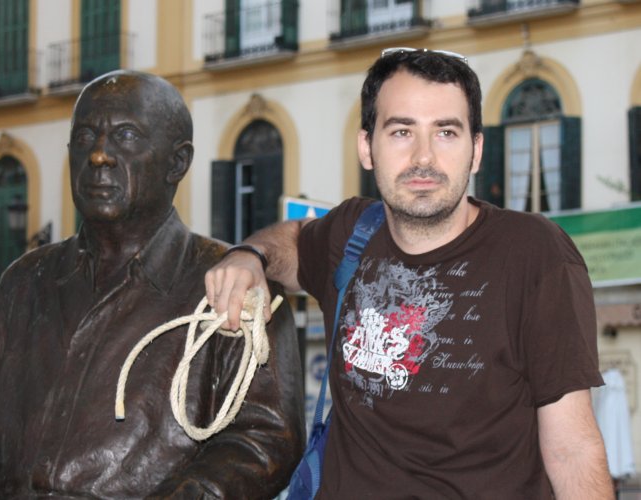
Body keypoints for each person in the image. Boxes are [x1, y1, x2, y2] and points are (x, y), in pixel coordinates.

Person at [206, 48, 613, 498]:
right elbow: (293, 241)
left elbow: (572, 449)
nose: (424, 157)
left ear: (476, 151)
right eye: (402, 131)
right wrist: (250, 255)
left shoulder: (535, 253)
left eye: (446, 132)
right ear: (367, 147)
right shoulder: (350, 231)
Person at [0, 70, 305, 499]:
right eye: (85, 137)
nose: (99, 155)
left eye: (126, 136)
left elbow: (264, 439)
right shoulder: (24, 282)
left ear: (177, 162)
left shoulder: (233, 286)